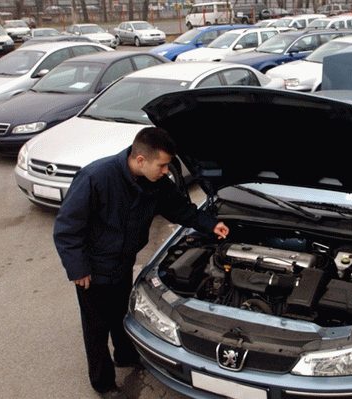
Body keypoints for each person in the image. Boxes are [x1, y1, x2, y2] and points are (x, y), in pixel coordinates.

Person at [53, 127, 229, 399]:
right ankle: (104, 384)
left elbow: (180, 209)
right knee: (96, 328)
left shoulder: (157, 182)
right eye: (161, 165)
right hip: (93, 271)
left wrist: (210, 224)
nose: (166, 171)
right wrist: (78, 268)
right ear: (140, 160)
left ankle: (125, 355)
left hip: (123, 264)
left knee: (122, 314)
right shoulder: (96, 178)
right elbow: (67, 228)